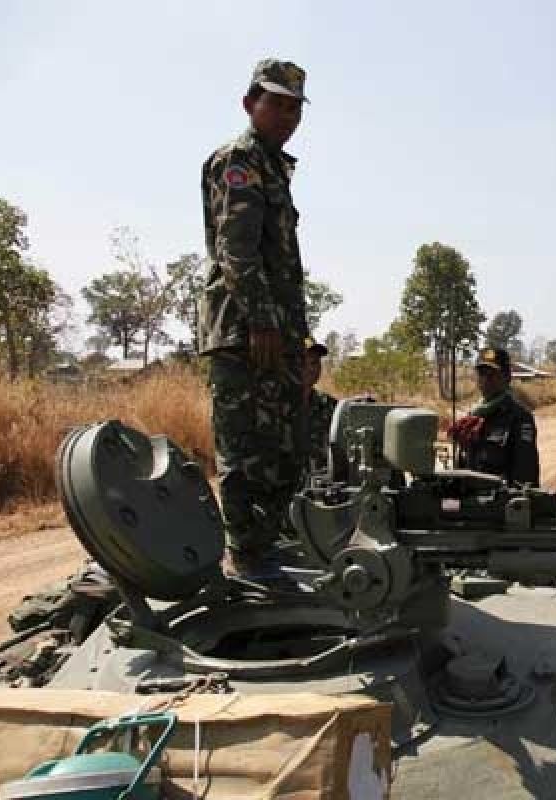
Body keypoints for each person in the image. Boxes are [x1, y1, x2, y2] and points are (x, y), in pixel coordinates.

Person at [198, 58, 310, 584]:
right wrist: (264, 322)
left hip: (275, 334)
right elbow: (235, 251)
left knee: (286, 448)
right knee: (245, 453)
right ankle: (246, 558)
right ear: (250, 104)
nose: (287, 116)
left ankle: (264, 552)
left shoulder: (273, 168)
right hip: (244, 333)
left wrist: (300, 340)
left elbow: (283, 268)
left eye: (295, 108)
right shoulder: (240, 161)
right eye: (277, 104)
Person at [449, 348, 540, 486]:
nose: (485, 379)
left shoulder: (520, 418)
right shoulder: (472, 416)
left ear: (507, 377)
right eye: (482, 374)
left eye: (492, 374)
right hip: (469, 502)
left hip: (498, 503)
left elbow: (525, 476)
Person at [302, 337, 338, 475]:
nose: (312, 368)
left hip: (320, 489)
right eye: (304, 362)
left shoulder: (330, 406)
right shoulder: (272, 406)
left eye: (315, 362)